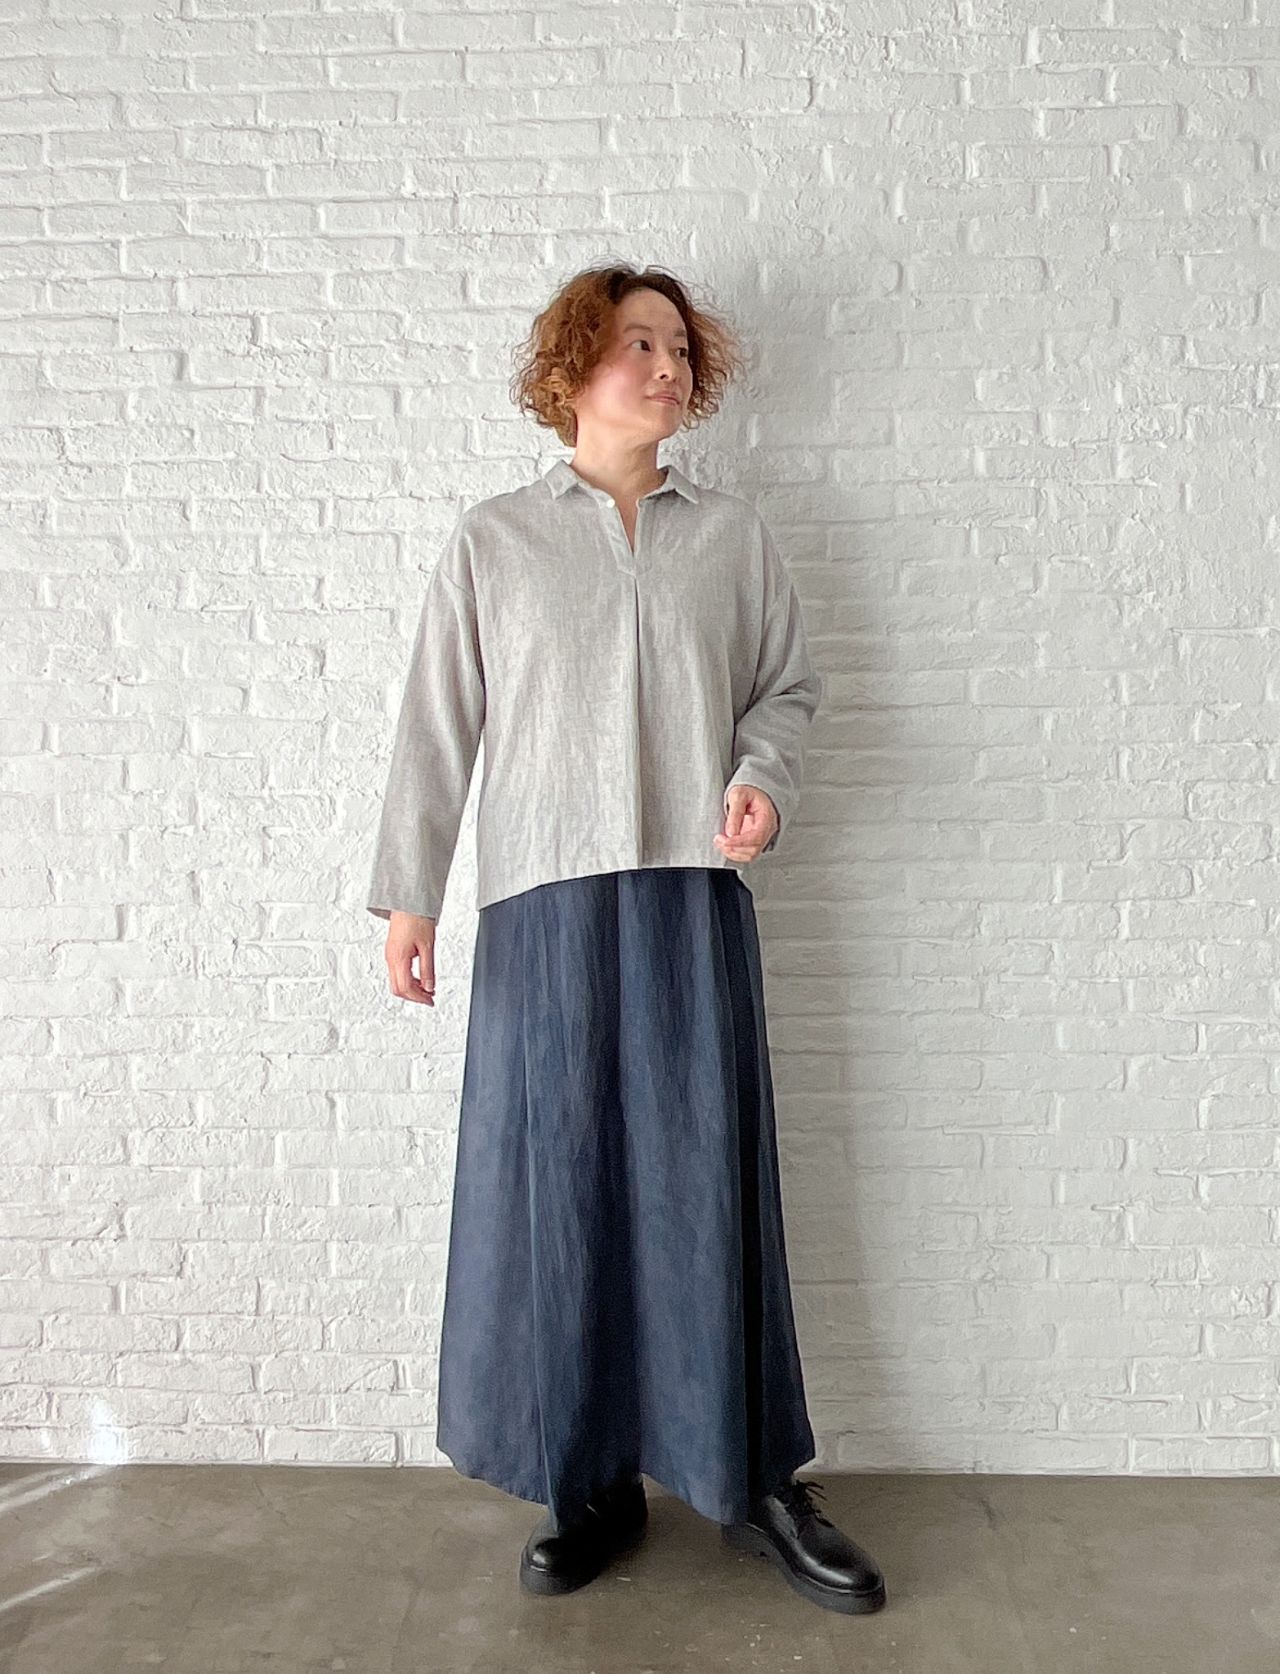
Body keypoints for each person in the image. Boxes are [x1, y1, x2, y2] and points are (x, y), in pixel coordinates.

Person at [366, 262, 886, 1617]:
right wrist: (411, 896)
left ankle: (755, 1477)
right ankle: (584, 1474)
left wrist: (762, 775)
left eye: (677, 348)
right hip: (540, 907)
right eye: (636, 343)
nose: (665, 367)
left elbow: (789, 685)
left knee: (709, 1183)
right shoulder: (494, 541)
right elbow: (438, 723)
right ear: (575, 365)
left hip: (689, 896)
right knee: (561, 1191)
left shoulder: (733, 538)